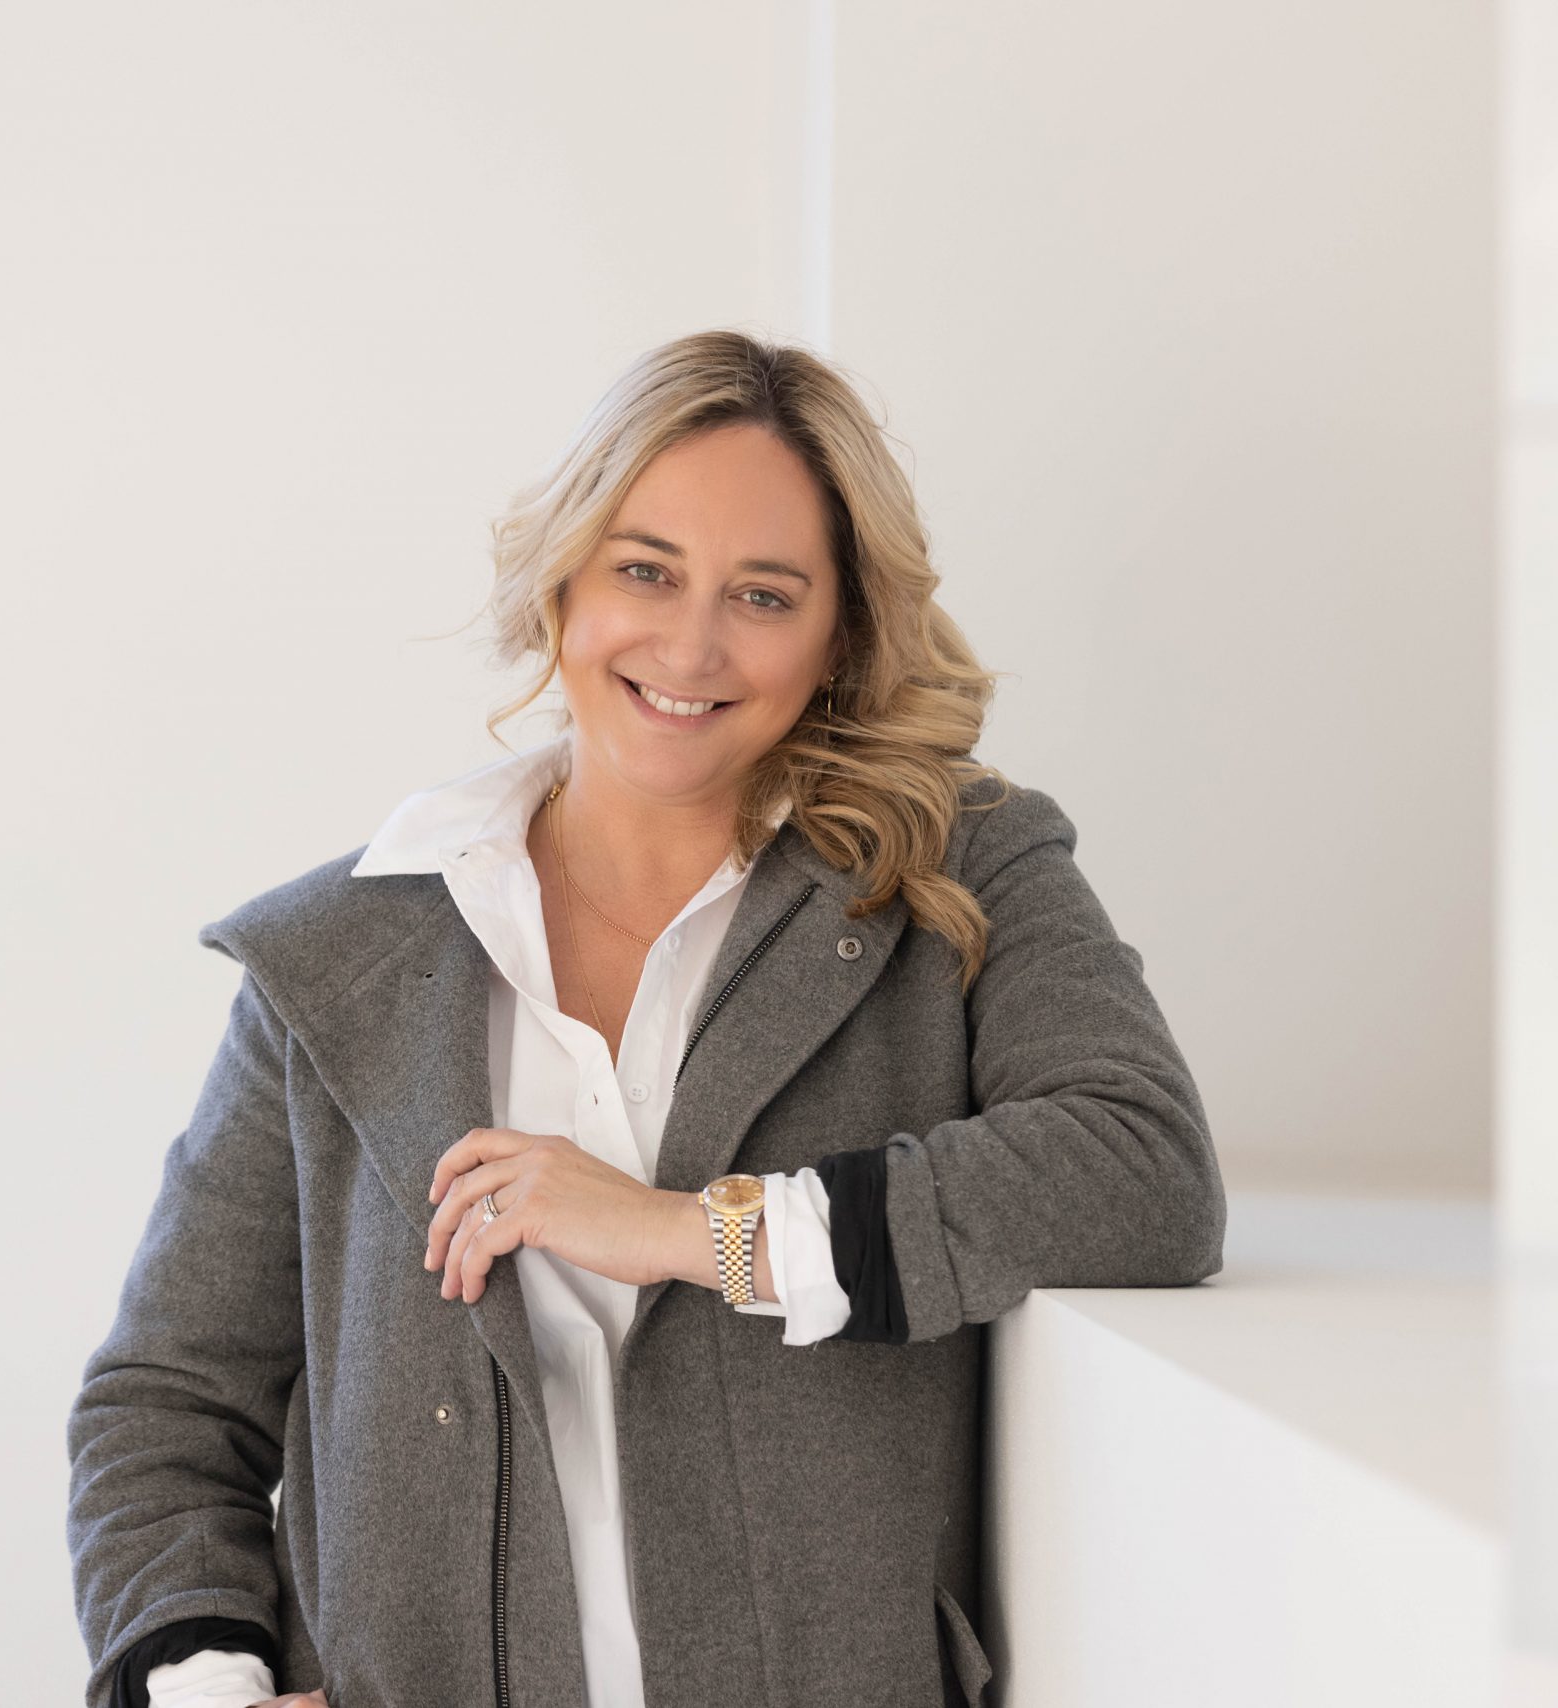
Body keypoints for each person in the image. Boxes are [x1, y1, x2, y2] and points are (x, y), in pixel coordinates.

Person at [66, 329, 1225, 1708]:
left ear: (842, 633)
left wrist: (694, 1233)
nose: (690, 645)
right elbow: (168, 1400)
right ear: (561, 578)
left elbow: (1142, 1170)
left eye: (764, 595)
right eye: (645, 570)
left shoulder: (960, 870)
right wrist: (204, 1685)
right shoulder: (338, 958)